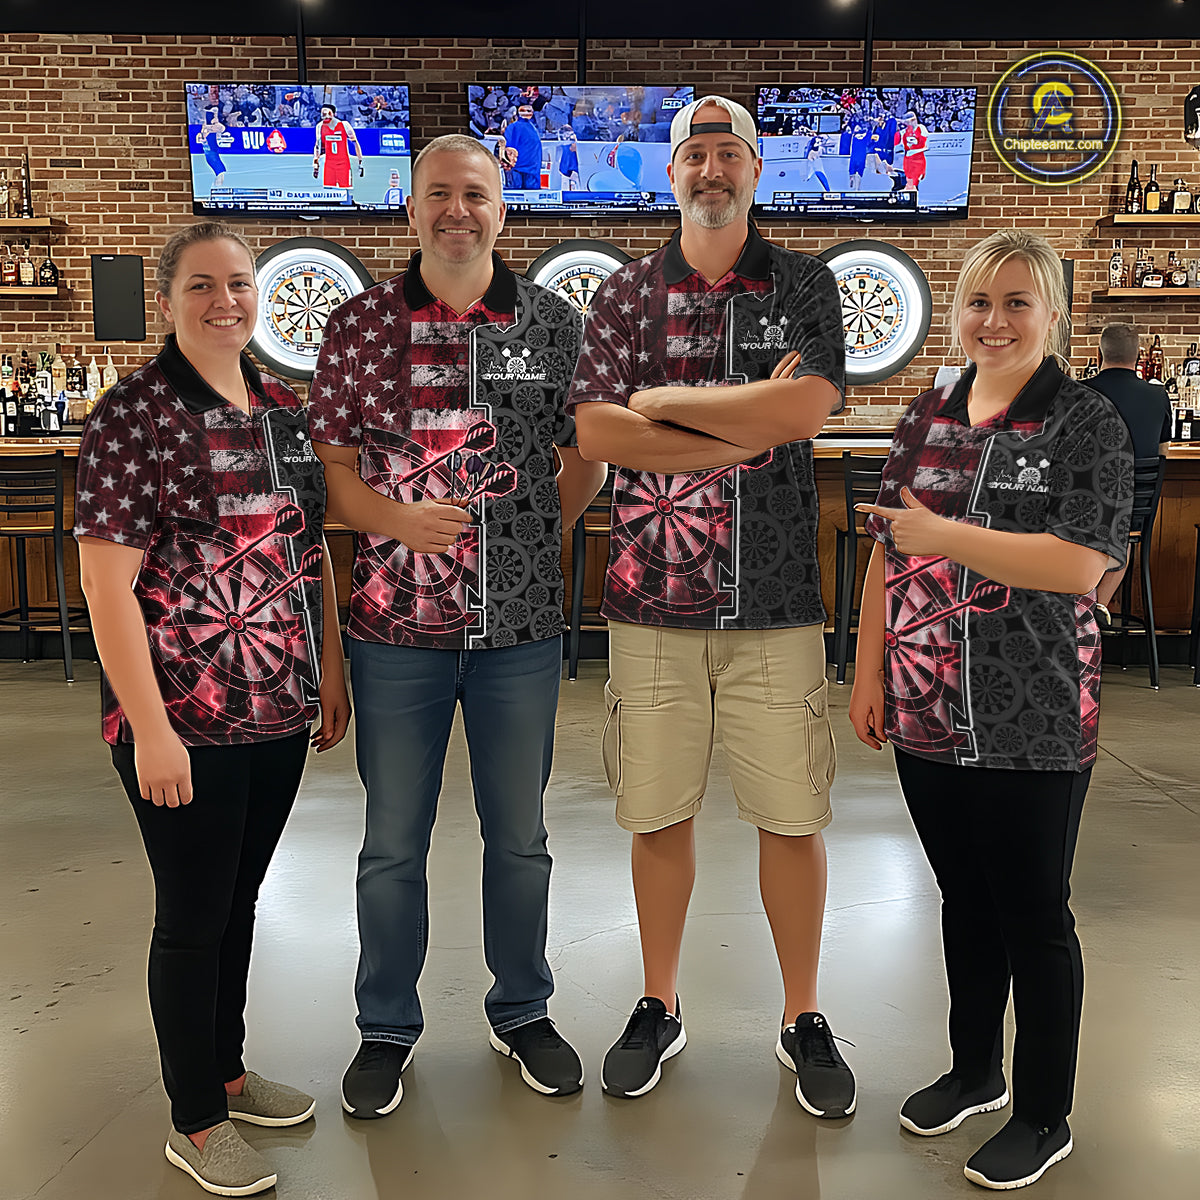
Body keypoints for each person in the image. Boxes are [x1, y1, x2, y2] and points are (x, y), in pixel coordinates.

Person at [310, 133, 606, 1119]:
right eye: (438, 193)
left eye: (474, 194)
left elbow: (587, 456)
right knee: (392, 843)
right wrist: (396, 521)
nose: (456, 210)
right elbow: (332, 475)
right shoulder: (359, 327)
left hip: (520, 635)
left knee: (519, 838)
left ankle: (523, 1009)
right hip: (393, 632)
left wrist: (530, 539)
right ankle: (385, 1026)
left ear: (501, 209)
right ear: (410, 208)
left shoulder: (554, 325)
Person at [569, 96, 854, 1116]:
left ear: (756, 171)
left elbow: (807, 407)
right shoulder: (624, 293)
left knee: (792, 815)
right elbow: (598, 434)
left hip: (777, 602)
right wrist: (745, 426)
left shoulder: (806, 282)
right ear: (672, 172)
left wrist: (664, 403)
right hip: (650, 602)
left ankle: (803, 1013)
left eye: (729, 151)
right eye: (695, 152)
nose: (712, 168)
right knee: (657, 813)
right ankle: (659, 1000)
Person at [850, 231, 1133, 1191]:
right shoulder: (926, 413)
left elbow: (1081, 565)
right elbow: (886, 550)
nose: (996, 321)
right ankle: (975, 1070)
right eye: (980, 301)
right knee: (962, 900)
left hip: (1035, 713)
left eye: (1018, 302)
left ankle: (1044, 1113)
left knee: (1032, 916)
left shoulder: (1086, 421)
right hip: (927, 703)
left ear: (1055, 314)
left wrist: (946, 535)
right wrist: (868, 672)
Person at [74, 222, 351, 1197]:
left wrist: (329, 669)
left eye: (238, 284)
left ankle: (226, 1071)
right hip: (182, 720)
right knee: (192, 917)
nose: (224, 301)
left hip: (277, 707)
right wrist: (149, 727)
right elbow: (106, 586)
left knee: (240, 902)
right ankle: (194, 1119)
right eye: (202, 285)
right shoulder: (133, 418)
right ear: (167, 302)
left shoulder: (282, 410)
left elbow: (309, 548)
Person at [1084, 323, 1171, 623]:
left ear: (1099, 354)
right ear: (1138, 357)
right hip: (1134, 514)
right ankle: (1097, 606)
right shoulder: (1158, 396)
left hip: (1084, 512)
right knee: (1121, 527)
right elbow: (1163, 453)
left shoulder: (1078, 392)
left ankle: (1081, 607)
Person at [313, 103, 363, 197]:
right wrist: (315, 164)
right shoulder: (320, 126)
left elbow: (355, 142)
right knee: (328, 190)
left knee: (345, 189)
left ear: (334, 113)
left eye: (328, 113)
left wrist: (360, 161)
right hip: (329, 163)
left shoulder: (344, 125)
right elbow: (317, 146)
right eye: (323, 114)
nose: (326, 117)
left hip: (343, 163)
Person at [498, 102, 543, 190]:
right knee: (532, 196)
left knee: (514, 194)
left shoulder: (513, 128)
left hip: (517, 168)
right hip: (532, 169)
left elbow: (508, 149)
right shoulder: (533, 128)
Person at [894, 110, 929, 198]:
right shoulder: (903, 132)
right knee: (908, 181)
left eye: (913, 120)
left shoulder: (921, 128)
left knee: (915, 181)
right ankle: (906, 199)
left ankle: (914, 199)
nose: (912, 123)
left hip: (918, 158)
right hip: (908, 160)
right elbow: (897, 143)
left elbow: (924, 142)